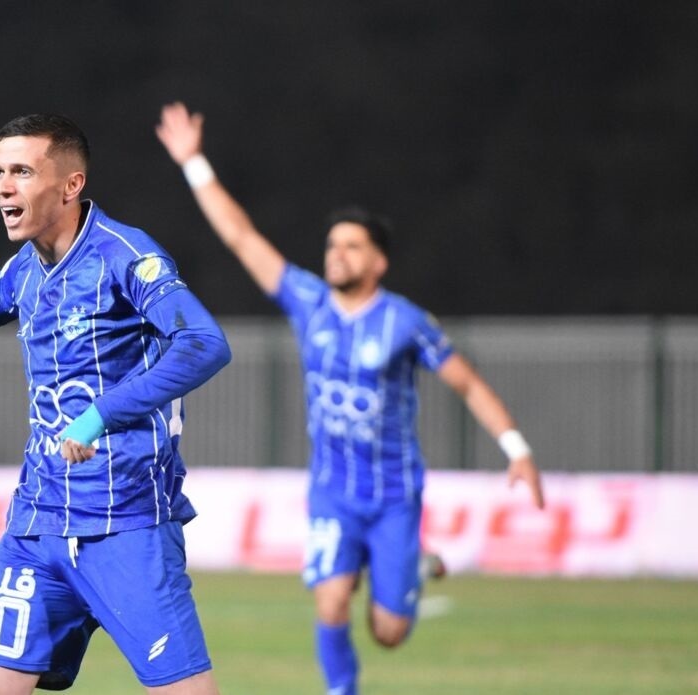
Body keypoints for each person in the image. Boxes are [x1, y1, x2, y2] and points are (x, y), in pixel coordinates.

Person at [155, 102, 544, 695]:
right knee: (331, 601)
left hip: (394, 497)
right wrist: (194, 163)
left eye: (353, 246)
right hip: (333, 492)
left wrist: (516, 448)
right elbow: (241, 236)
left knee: (388, 631)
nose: (337, 253)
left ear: (378, 262)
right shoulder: (308, 302)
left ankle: (413, 562)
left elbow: (466, 382)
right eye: (333, 244)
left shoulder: (406, 322)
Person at [0, 113, 231, 695]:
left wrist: (98, 416)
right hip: (36, 527)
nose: (3, 187)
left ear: (71, 185)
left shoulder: (125, 256)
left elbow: (204, 343)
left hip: (126, 524)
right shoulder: (26, 268)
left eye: (21, 171)